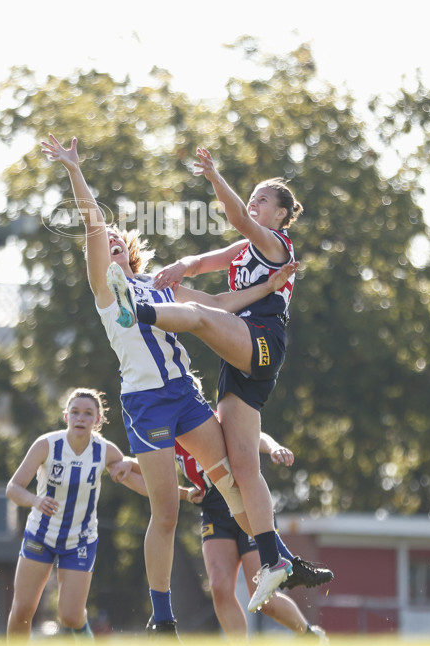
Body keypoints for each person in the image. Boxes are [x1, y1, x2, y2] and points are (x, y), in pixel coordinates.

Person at [41, 133, 297, 635]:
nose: (109, 246)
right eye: (105, 247)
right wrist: (75, 170)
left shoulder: (158, 285)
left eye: (118, 245)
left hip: (185, 393)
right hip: (144, 404)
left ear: (130, 258)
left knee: (230, 478)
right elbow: (94, 224)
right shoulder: (104, 292)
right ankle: (163, 617)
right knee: (166, 512)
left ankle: (277, 560)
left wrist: (269, 287)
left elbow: (218, 307)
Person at [107, 146, 304, 612]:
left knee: (193, 314)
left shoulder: (276, 246)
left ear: (279, 215)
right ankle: (276, 558)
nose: (253, 204)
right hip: (238, 352)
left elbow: (237, 221)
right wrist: (177, 271)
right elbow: (203, 270)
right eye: (251, 198)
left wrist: (215, 175)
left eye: (261, 201)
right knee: (242, 466)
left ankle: (138, 311)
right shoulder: (244, 251)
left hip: (260, 340)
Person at [6, 386, 145, 639]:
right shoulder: (46, 445)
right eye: (76, 412)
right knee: (23, 609)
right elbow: (13, 488)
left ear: (98, 420)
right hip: (40, 535)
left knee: (70, 616)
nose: (81, 418)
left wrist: (129, 462)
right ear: (67, 416)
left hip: (80, 540)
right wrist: (35, 500)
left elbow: (143, 472)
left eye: (88, 413)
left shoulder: (104, 450)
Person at [176, 431, 330, 640]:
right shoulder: (165, 432)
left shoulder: (206, 418)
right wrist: (122, 463)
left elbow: (249, 433)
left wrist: (273, 446)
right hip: (214, 514)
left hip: (249, 507)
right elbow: (149, 465)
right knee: (219, 587)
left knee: (266, 599)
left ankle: (310, 636)